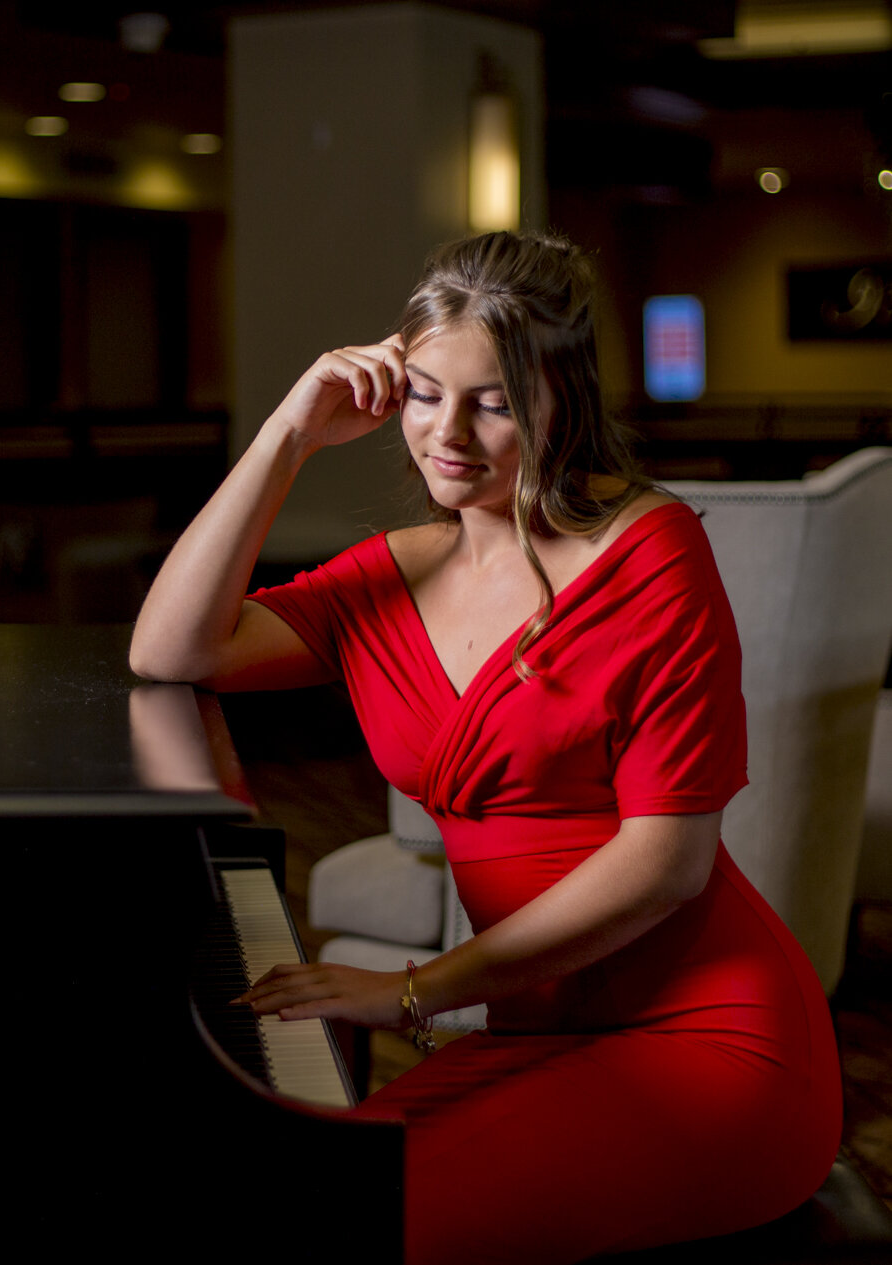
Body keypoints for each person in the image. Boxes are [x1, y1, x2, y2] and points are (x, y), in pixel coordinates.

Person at [130, 231, 841, 1265]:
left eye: (495, 401)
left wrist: (413, 988)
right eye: (422, 392)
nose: (447, 433)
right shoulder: (391, 574)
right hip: (540, 1034)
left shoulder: (650, 554)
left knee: (347, 1223)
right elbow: (169, 647)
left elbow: (667, 863)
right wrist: (288, 430)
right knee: (278, 1192)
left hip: (708, 1042)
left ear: (565, 397)